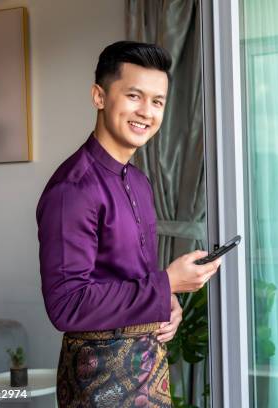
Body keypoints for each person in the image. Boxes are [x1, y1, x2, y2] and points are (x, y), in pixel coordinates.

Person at [36, 41, 220, 408]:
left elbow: (131, 276)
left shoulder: (138, 181)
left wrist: (167, 301)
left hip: (149, 369)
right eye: (134, 95)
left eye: (157, 101)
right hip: (99, 381)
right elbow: (67, 305)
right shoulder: (72, 189)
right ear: (99, 97)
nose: (146, 112)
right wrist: (166, 282)